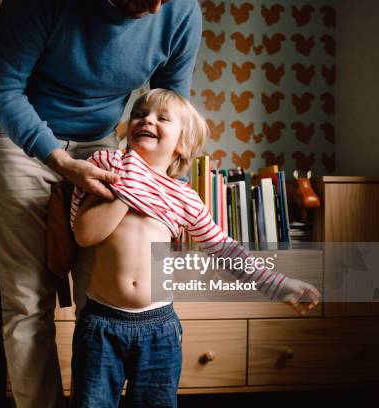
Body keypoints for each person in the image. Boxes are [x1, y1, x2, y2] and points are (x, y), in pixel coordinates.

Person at [0, 0, 203, 406]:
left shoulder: (180, 11)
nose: (155, 7)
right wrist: (60, 161)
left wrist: (172, 194)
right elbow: (0, 88)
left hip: (101, 146)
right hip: (19, 137)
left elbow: (174, 107)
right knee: (27, 301)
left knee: (101, 299)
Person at [70, 89, 321, 407]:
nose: (147, 119)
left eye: (162, 118)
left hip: (159, 329)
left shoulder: (181, 196)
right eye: (140, 113)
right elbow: (85, 234)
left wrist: (279, 285)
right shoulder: (108, 171)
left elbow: (225, 249)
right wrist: (129, 180)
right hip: (102, 324)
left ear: (181, 145)